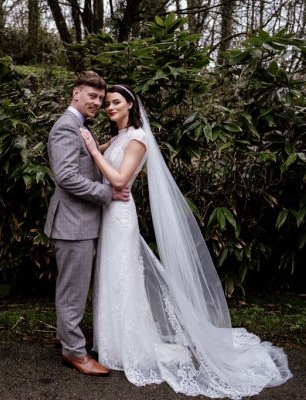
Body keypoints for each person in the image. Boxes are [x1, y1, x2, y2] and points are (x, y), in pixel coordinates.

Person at [79, 84, 292, 398]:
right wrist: (90, 143)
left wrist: (95, 151)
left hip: (121, 214)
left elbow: (121, 179)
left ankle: (130, 346)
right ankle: (112, 345)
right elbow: (100, 158)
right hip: (107, 215)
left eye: (115, 102)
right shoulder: (120, 137)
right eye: (107, 103)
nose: (110, 108)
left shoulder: (138, 138)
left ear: (130, 105)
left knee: (124, 277)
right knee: (111, 276)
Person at [44, 71, 131, 376]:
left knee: (71, 286)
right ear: (76, 93)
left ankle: (66, 336)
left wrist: (113, 143)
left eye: (100, 97)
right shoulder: (66, 128)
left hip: (77, 221)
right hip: (72, 222)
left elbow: (86, 159)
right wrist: (108, 192)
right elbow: (66, 177)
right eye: (91, 96)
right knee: (74, 290)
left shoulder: (80, 126)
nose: (96, 102)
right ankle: (74, 352)